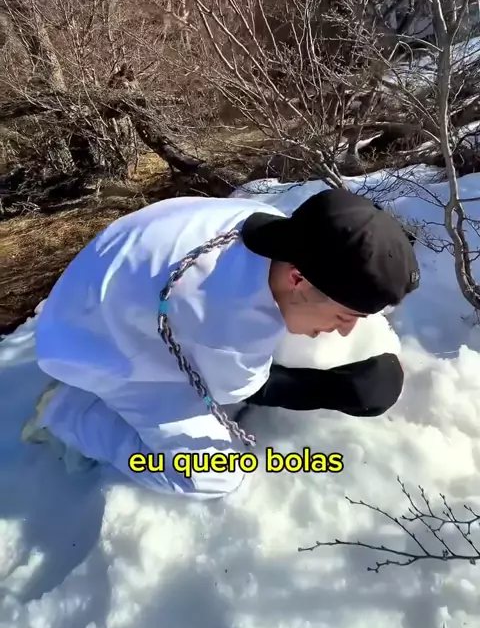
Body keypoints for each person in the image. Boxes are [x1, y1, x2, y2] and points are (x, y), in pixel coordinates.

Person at [23, 187, 420, 498]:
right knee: (212, 476)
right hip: (95, 348)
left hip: (99, 288)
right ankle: (70, 414)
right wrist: (342, 390)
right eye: (344, 316)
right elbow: (244, 390)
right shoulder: (225, 320)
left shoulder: (285, 234)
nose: (347, 331)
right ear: (298, 279)